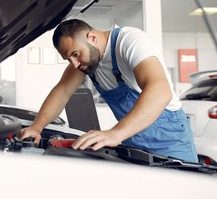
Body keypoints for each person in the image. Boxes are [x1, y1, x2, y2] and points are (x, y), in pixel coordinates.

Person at [18, 19, 198, 162]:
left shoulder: (130, 41)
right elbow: (62, 91)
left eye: (75, 54)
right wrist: (36, 127)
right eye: (68, 59)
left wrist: (116, 133)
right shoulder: (86, 62)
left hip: (170, 139)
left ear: (92, 38)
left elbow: (160, 91)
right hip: (133, 140)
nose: (74, 64)